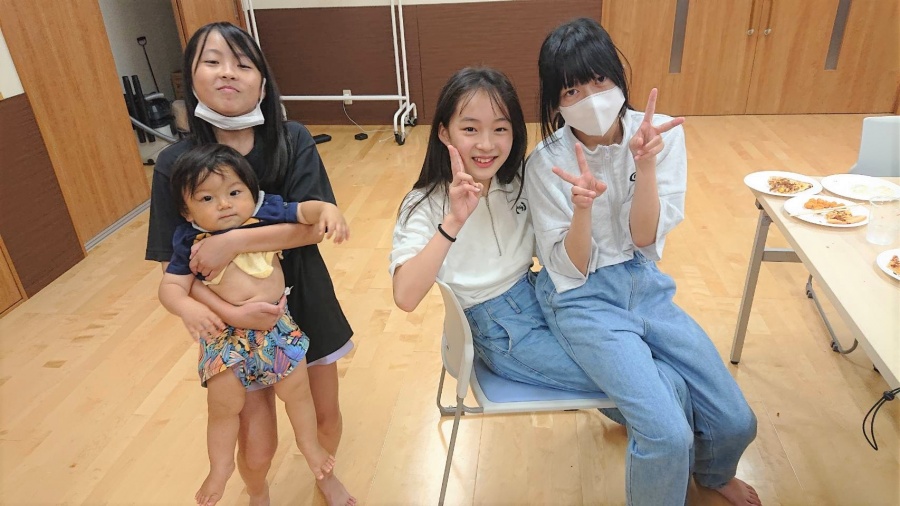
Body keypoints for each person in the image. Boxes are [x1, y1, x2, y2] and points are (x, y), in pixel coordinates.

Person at [525, 17, 760, 506]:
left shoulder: (657, 134)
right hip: (581, 298)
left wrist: (646, 165)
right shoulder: (546, 162)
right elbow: (569, 268)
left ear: (618, 78)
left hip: (644, 283)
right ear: (555, 102)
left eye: (599, 80)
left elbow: (644, 238)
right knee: (666, 435)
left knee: (737, 420)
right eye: (571, 90)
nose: (590, 98)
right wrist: (582, 210)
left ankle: (712, 473)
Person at [390, 67, 691, 425]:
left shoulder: (519, 181)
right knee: (656, 379)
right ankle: (668, 441)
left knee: (653, 365)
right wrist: (453, 222)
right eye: (470, 129)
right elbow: (405, 296)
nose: (486, 144)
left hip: (545, 296)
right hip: (500, 329)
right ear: (444, 132)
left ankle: (655, 431)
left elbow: (562, 248)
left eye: (500, 129)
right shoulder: (423, 204)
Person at [145, 22, 355, 506]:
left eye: (242, 63)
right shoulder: (175, 164)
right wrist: (230, 313)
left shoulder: (292, 139)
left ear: (262, 80)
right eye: (212, 61)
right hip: (231, 321)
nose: (227, 73)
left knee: (323, 414)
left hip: (306, 295)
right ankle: (255, 491)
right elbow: (176, 270)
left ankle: (324, 476)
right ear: (190, 77)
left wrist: (232, 241)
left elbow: (310, 227)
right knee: (256, 444)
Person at [158, 144, 351, 506]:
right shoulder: (188, 240)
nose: (224, 204)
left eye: (234, 193)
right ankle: (220, 468)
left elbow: (303, 211)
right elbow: (170, 286)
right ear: (187, 210)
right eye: (207, 198)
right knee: (223, 405)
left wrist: (326, 209)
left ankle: (309, 445)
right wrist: (187, 308)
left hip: (277, 329)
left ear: (252, 192)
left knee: (298, 391)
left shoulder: (264, 211)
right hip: (225, 337)